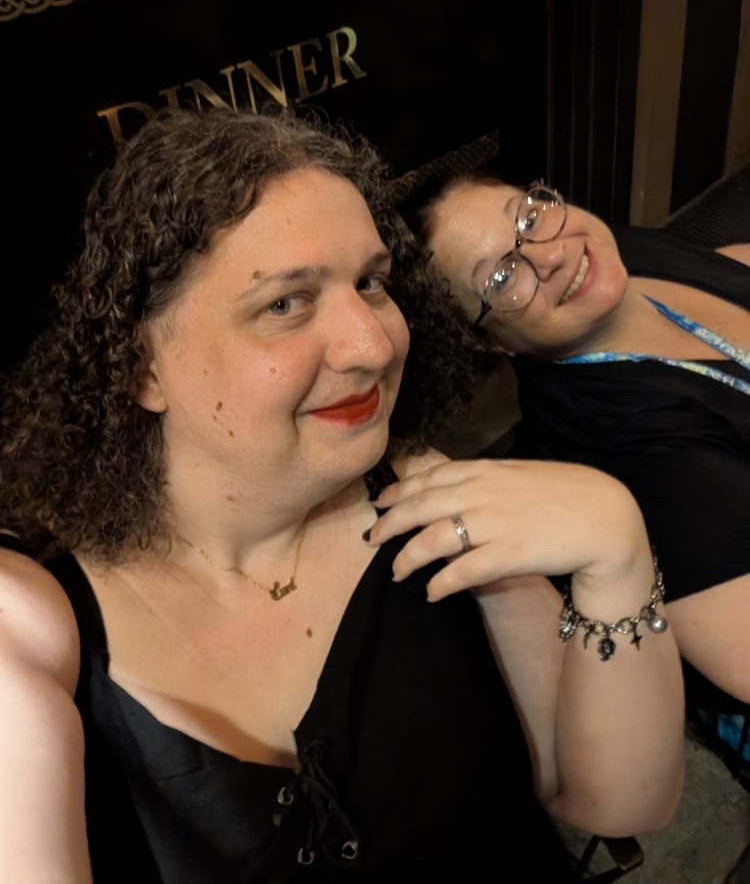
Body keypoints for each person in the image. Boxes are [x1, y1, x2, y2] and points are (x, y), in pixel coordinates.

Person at [0, 110, 683, 883]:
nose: (375, 344)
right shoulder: (34, 619)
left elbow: (620, 806)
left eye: (370, 283)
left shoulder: (432, 502)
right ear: (141, 369)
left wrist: (617, 551)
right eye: (285, 303)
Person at [419, 173, 750, 711]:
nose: (549, 254)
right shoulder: (629, 451)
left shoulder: (608, 260)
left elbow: (725, 270)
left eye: (527, 216)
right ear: (488, 341)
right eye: (502, 277)